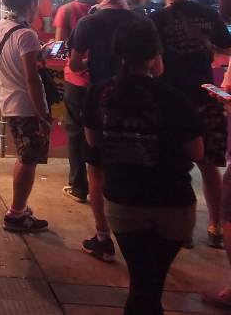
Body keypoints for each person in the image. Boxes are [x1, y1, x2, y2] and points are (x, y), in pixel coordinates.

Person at [84, 17, 202, 315]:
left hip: (124, 201)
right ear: (155, 54)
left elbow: (93, 141)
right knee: (150, 284)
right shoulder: (173, 98)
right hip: (173, 202)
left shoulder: (100, 93)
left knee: (142, 282)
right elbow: (197, 151)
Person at [150, 0, 231, 249]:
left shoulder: (156, 21)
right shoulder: (208, 14)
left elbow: (154, 64)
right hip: (206, 98)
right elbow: (227, 48)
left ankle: (180, 229)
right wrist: (207, 49)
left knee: (173, 167)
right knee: (209, 166)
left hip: (171, 102)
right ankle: (216, 226)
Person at [69, 0, 139, 262]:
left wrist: (94, 62)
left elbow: (74, 64)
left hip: (99, 102)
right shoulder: (141, 21)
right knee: (133, 165)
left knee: (96, 171)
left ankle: (103, 237)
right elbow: (157, 67)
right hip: (137, 102)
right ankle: (135, 235)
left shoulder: (90, 22)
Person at [0, 0, 51, 233]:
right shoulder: (26, 35)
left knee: (24, 157)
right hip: (26, 105)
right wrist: (42, 115)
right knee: (28, 160)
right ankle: (15, 214)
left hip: (8, 100)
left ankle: (20, 207)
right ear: (31, 4)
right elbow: (31, 79)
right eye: (37, 3)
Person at [54, 0, 97, 204]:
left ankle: (79, 185)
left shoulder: (68, 10)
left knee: (76, 132)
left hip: (76, 79)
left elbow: (59, 50)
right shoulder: (104, 9)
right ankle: (103, 182)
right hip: (104, 79)